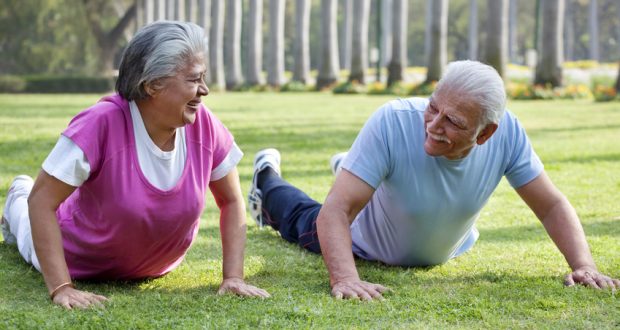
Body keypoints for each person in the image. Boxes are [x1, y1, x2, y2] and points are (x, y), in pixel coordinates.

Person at [247, 60, 620, 300]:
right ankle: (266, 176)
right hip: (363, 240)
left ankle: (359, 168)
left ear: (485, 133)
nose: (433, 126)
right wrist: (345, 278)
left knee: (361, 184)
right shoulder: (393, 120)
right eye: (432, 107)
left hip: (434, 239)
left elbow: (551, 204)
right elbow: (336, 211)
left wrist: (583, 264)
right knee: (299, 217)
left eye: (453, 122)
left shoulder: (508, 135)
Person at [1, 21, 269, 309]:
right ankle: (16, 194)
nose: (204, 90)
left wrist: (234, 277)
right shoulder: (100, 123)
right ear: (153, 84)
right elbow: (42, 202)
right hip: (75, 256)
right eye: (193, 79)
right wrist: (62, 287)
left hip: (154, 266)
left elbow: (231, 200)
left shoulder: (204, 125)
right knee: (27, 209)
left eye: (203, 77)